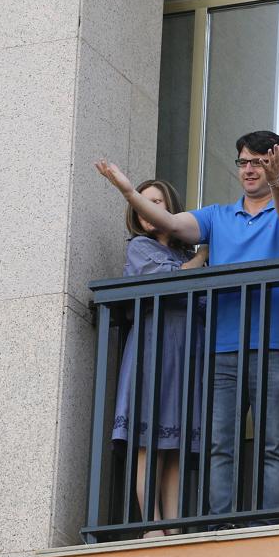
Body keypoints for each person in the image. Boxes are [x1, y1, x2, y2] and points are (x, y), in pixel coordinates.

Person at [97, 130, 279, 523]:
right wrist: (129, 191)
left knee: (275, 443)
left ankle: (268, 526)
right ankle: (219, 524)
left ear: (276, 164)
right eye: (244, 162)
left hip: (277, 343)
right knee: (220, 444)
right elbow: (170, 223)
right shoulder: (217, 216)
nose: (250, 169)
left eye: (260, 162)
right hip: (222, 345)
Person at [111, 179, 207, 536]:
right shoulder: (140, 246)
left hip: (187, 348)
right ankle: (151, 522)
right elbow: (170, 283)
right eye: (143, 203)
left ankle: (174, 524)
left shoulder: (185, 255)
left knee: (177, 442)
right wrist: (203, 256)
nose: (148, 209)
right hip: (154, 345)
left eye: (157, 201)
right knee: (149, 441)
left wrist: (195, 260)